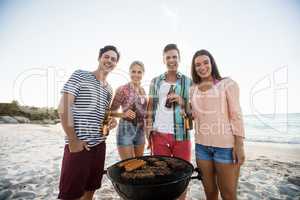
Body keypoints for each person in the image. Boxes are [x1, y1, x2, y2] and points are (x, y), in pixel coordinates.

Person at [57, 45, 119, 200]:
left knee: (90, 191)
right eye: (106, 56)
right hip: (79, 145)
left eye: (113, 59)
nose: (109, 61)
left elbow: (104, 116)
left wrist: (111, 121)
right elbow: (63, 107)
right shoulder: (81, 75)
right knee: (70, 194)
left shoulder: (109, 89)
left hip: (100, 145)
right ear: (99, 58)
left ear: (116, 64)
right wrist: (73, 140)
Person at [189, 49, 245, 200]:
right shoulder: (192, 89)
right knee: (210, 193)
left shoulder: (227, 84)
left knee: (228, 194)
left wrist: (239, 145)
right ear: (194, 68)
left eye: (205, 62)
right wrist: (185, 109)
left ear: (212, 63)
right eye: (198, 64)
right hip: (201, 147)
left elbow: (236, 115)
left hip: (225, 148)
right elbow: (196, 116)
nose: (202, 67)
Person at [146, 44, 192, 161]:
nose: (171, 60)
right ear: (163, 60)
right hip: (158, 134)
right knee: (161, 172)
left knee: (182, 171)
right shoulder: (155, 81)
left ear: (179, 58)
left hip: (182, 135)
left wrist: (182, 101)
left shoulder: (188, 82)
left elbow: (193, 112)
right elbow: (150, 106)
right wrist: (148, 128)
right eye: (168, 58)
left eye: (174, 57)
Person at [110, 61, 147, 160]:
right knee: (129, 165)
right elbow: (110, 111)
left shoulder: (143, 91)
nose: (136, 74)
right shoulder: (122, 89)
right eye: (133, 71)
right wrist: (123, 114)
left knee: (139, 164)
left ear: (143, 74)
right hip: (126, 129)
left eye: (139, 72)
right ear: (129, 73)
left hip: (140, 131)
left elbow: (145, 114)